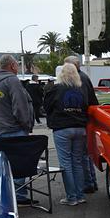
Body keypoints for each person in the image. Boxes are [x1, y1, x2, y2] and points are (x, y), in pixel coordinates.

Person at [0, 54, 35, 205]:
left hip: (0, 128)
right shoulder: (12, 80)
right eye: (17, 65)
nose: (18, 67)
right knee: (20, 165)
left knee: (6, 166)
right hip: (14, 129)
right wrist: (26, 125)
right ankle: (19, 195)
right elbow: (19, 106)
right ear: (12, 66)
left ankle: (9, 196)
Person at [44, 63, 89, 206]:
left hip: (62, 128)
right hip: (80, 128)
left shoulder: (56, 89)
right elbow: (86, 107)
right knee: (77, 162)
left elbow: (46, 107)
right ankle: (80, 195)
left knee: (66, 163)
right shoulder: (80, 90)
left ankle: (71, 197)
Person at [64, 56, 99, 193]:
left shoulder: (78, 79)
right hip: (84, 119)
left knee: (80, 156)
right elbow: (91, 99)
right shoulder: (83, 77)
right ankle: (90, 181)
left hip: (79, 120)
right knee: (84, 154)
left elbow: (83, 100)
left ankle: (87, 183)